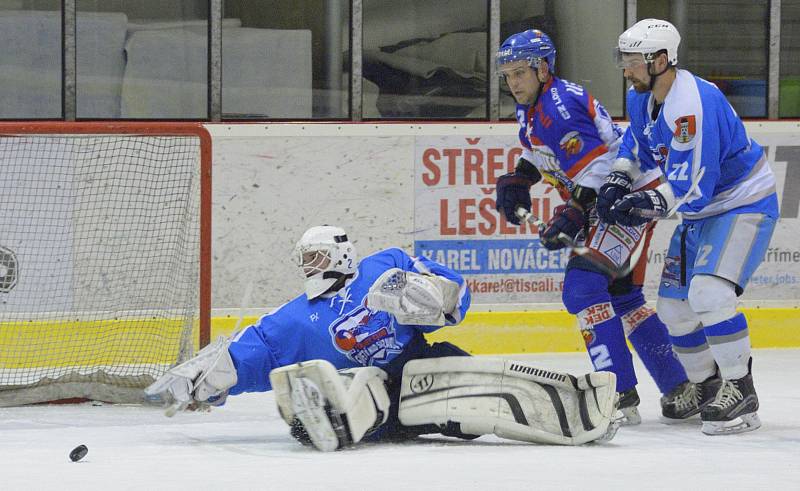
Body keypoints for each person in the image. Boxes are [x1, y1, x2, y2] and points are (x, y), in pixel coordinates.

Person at [145, 225, 619, 450]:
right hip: (373, 395)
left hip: (423, 370)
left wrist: (432, 296)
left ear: (341, 254)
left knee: (480, 386)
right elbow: (254, 353)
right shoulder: (294, 318)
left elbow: (458, 297)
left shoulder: (386, 266)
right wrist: (207, 379)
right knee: (364, 387)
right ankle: (325, 412)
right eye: (304, 260)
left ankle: (583, 408)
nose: (309, 268)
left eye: (316, 257)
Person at [494, 28, 690, 425]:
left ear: (543, 68)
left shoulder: (559, 106)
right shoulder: (533, 103)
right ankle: (680, 387)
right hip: (610, 196)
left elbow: (600, 164)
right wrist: (519, 178)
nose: (513, 82)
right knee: (623, 295)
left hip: (623, 199)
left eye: (520, 72)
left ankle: (618, 395)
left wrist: (575, 211)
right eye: (508, 74)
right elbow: (543, 150)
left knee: (583, 288)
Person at [597, 19, 778, 435]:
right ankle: (706, 384)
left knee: (709, 293)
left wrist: (643, 203)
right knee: (675, 309)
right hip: (701, 213)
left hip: (741, 205)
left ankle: (741, 387)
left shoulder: (691, 106)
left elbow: (694, 187)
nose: (626, 69)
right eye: (623, 59)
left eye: (633, 61)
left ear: (660, 60)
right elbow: (635, 145)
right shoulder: (643, 96)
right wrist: (618, 180)